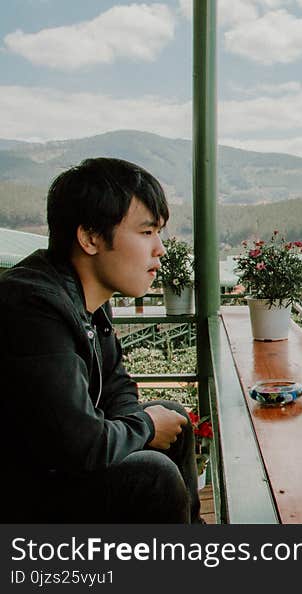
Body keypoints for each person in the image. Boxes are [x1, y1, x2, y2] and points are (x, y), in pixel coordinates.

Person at [0, 157, 201, 523]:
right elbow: (78, 446)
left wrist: (144, 424)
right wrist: (145, 427)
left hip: (62, 472)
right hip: (25, 495)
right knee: (153, 476)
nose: (160, 249)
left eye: (159, 233)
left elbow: (116, 386)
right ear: (90, 237)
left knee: (174, 416)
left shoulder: (90, 296)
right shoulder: (32, 307)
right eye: (146, 232)